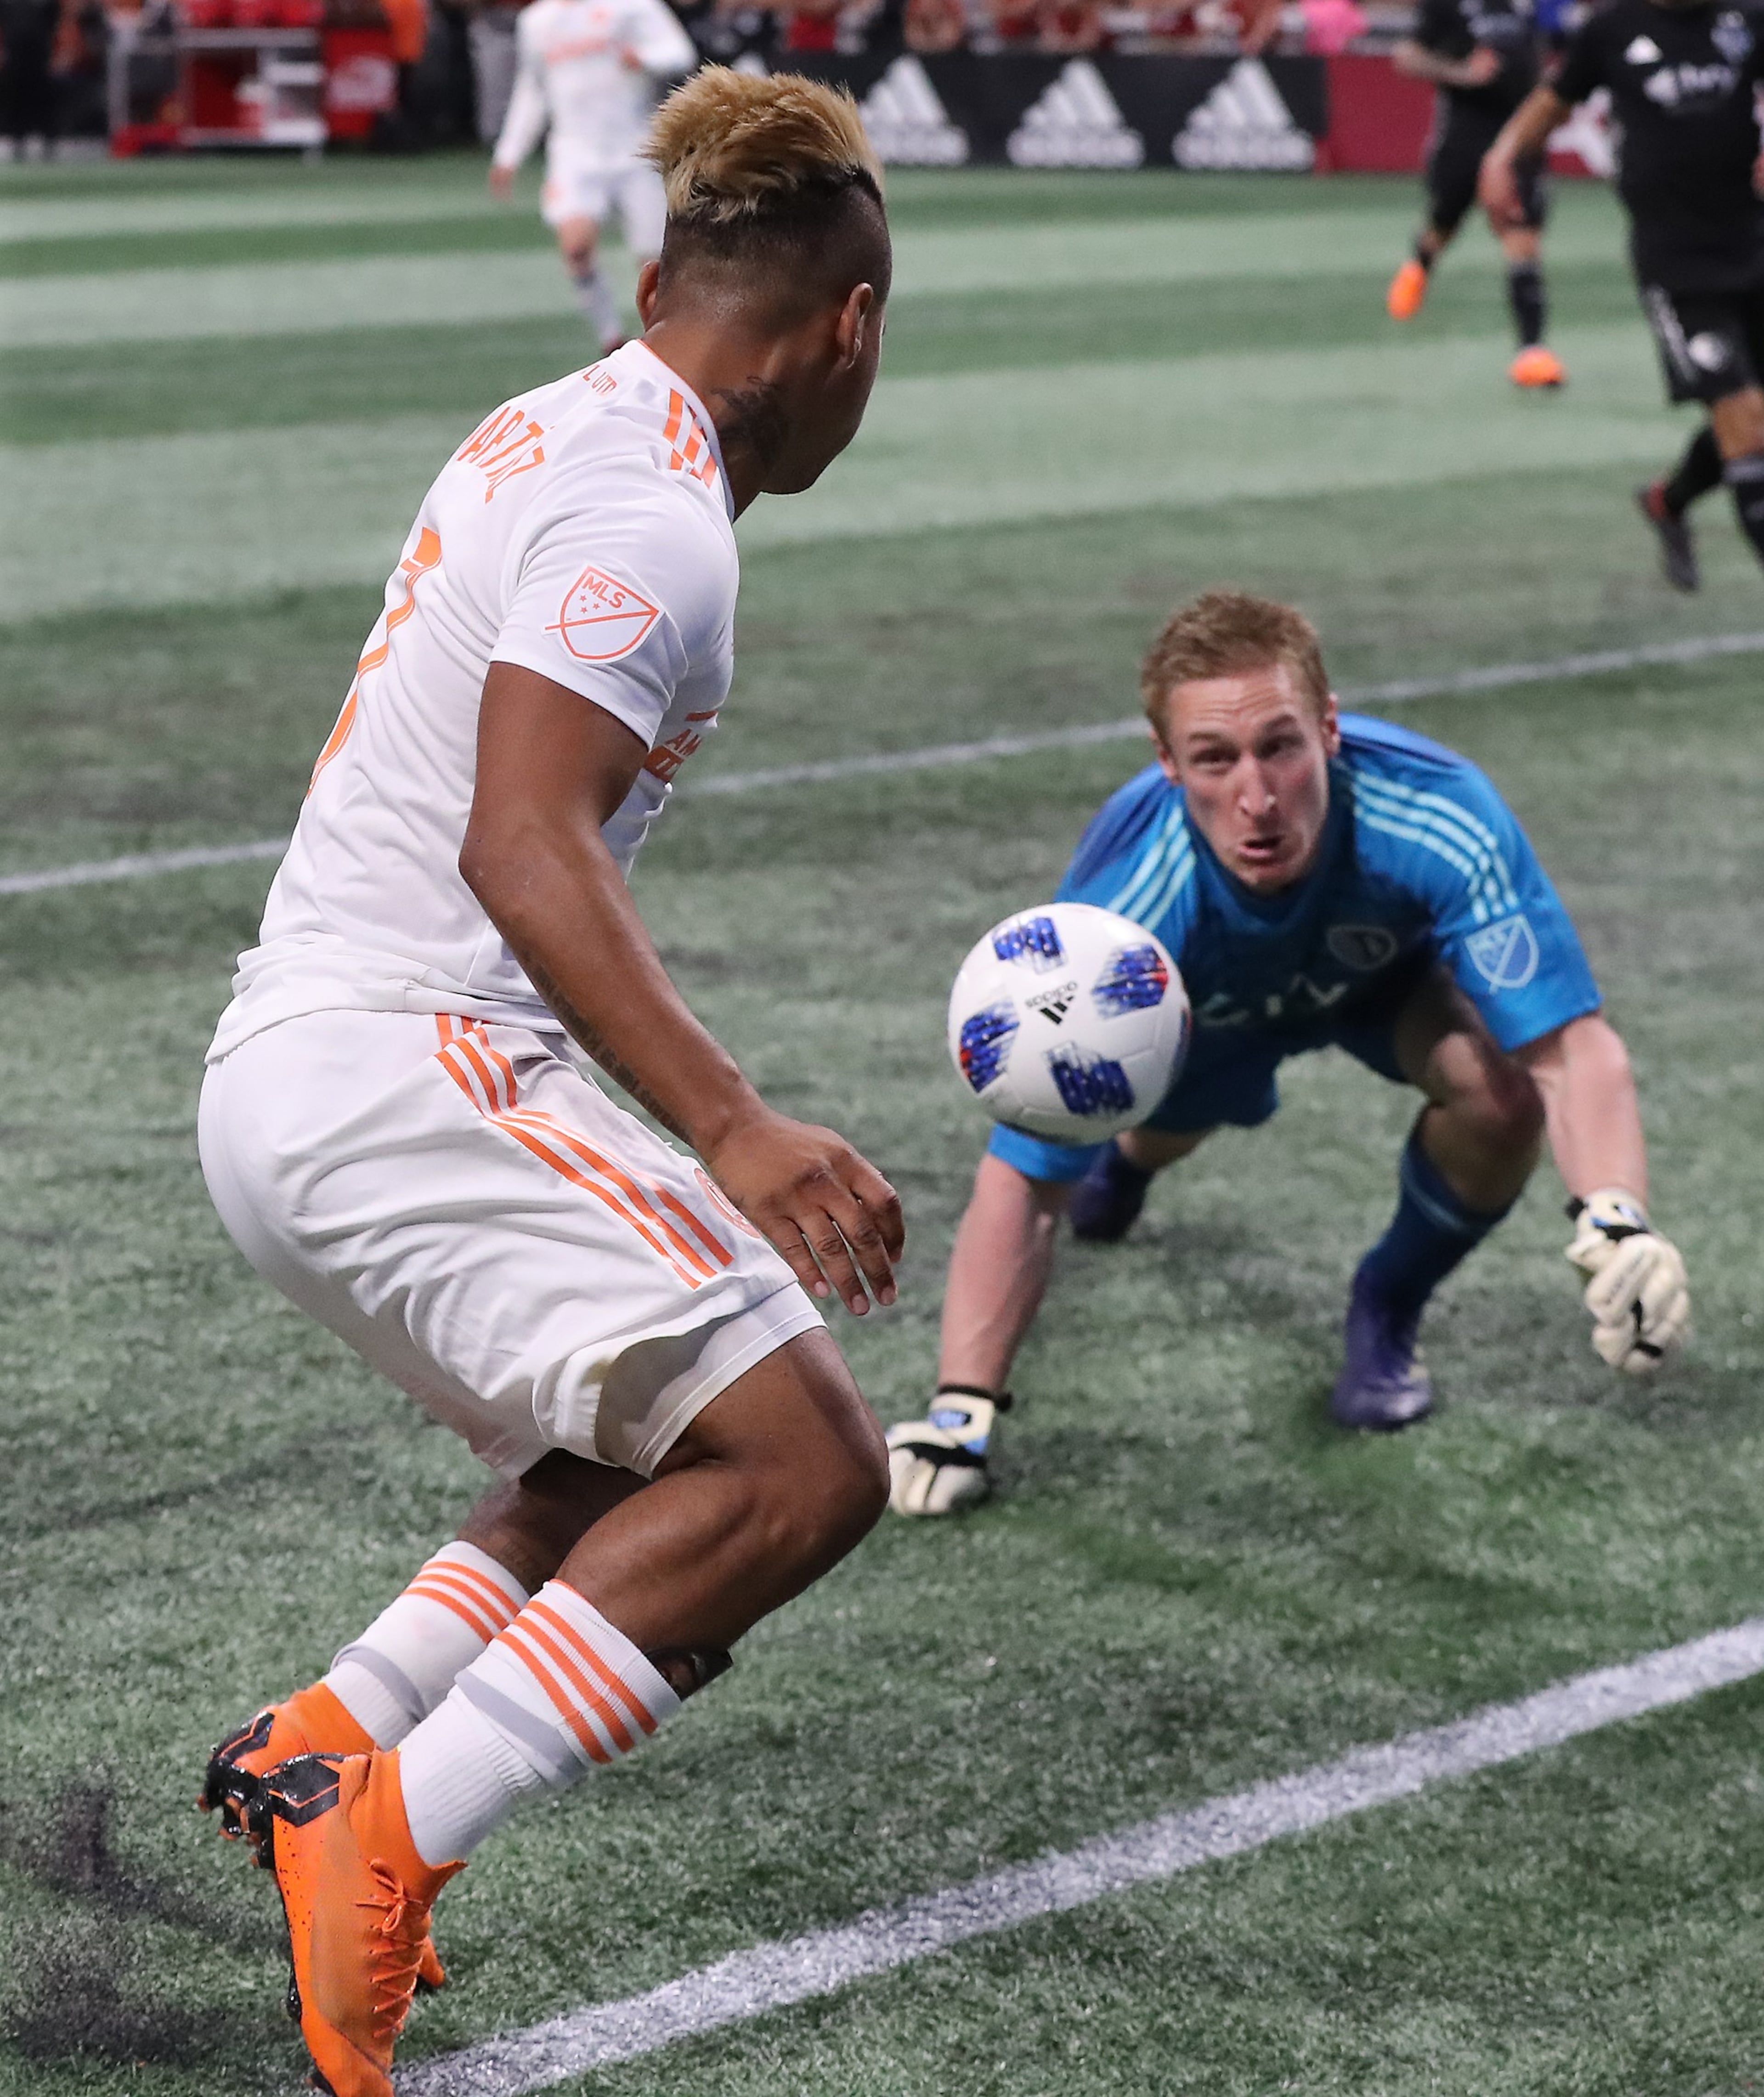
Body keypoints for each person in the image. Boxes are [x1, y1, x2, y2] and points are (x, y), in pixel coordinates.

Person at [197, 71, 899, 2097]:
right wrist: (737, 1125)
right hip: (399, 1067)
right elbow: (525, 846)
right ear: (847, 325)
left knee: (647, 1451)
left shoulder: (562, 422)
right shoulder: (649, 509)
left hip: (306, 1064)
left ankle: (338, 1736)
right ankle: (389, 1838)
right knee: (799, 1466)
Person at [885, 592, 1689, 1515]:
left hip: (1385, 985)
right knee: (1149, 1135)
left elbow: (1569, 1049)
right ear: (1167, 763)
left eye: (1281, 746)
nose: (1257, 798)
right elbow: (1023, 1177)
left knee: (1502, 1099)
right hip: (1191, 1014)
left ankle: (1385, 1303)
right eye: (1215, 759)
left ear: (1330, 729)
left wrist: (1619, 1217)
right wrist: (963, 1410)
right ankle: (1136, 1160)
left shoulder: (1436, 811)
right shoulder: (1122, 919)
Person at [1480, 0, 1764, 593]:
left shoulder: (1746, 18)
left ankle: (1667, 501)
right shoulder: (1612, 30)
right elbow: (1554, 101)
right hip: (1678, 263)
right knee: (1747, 419)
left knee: (1752, 415)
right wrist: (1504, 156)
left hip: (1756, 243)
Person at [489, 0, 696, 356]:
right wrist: (509, 154)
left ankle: (666, 343)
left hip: (637, 149)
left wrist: (645, 58)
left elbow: (680, 52)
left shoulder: (633, 7)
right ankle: (611, 340)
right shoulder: (538, 21)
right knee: (577, 249)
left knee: (654, 261)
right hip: (574, 154)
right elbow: (534, 89)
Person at [1385, 0, 1566, 389]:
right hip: (1465, 137)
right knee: (1443, 225)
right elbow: (1407, 56)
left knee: (1523, 236)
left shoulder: (1530, 7)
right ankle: (1420, 265)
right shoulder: (1446, 6)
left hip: (1520, 135)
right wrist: (1461, 73)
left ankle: (1531, 352)